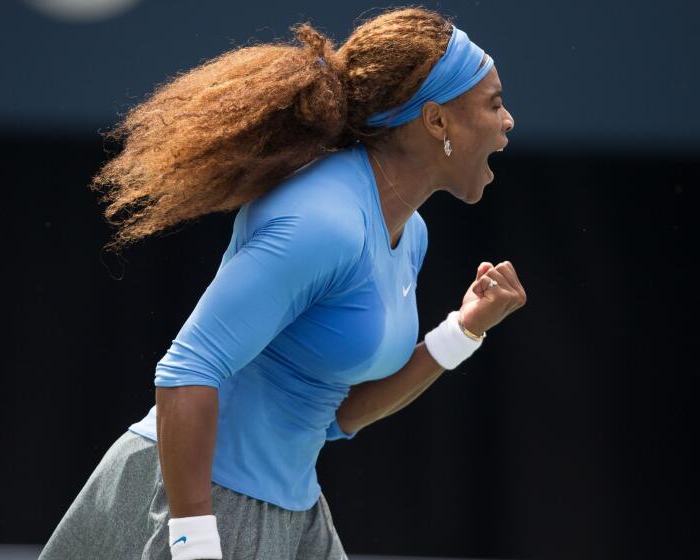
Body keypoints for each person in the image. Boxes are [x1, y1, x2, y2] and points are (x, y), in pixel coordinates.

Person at [39, 6, 526, 560]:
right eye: (493, 103)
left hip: (291, 511)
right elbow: (187, 370)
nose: (507, 120)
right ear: (436, 121)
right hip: (194, 505)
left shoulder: (409, 234)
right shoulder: (322, 221)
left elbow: (338, 418)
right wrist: (194, 541)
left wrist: (464, 330)